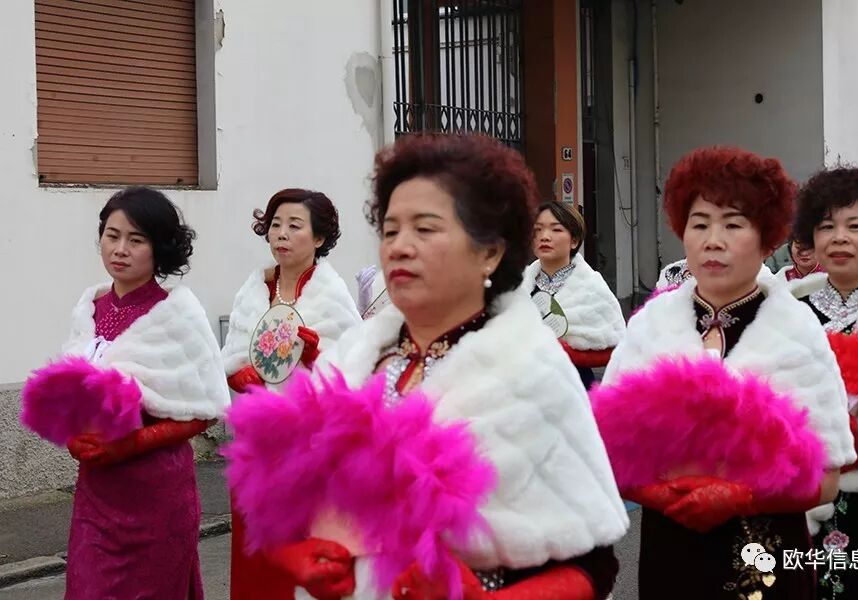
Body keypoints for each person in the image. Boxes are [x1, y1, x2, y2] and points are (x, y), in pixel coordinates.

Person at [240, 133, 629, 600]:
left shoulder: (531, 370)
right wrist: (294, 555)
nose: (399, 247)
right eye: (390, 231)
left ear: (490, 251)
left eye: (425, 229)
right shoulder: (353, 357)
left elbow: (593, 564)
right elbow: (283, 503)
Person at [601, 147, 855, 599]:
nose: (712, 240)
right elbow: (605, 455)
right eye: (699, 224)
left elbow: (827, 479)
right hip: (670, 555)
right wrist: (663, 496)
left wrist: (741, 496)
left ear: (767, 238)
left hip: (764, 560)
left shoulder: (796, 332)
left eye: (733, 224)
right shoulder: (649, 328)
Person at [62, 187, 230, 599]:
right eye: (112, 235)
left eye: (136, 240)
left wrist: (135, 442)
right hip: (97, 492)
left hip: (157, 493)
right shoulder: (89, 308)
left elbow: (207, 408)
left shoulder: (177, 314)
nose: (120, 249)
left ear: (159, 248)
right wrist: (71, 434)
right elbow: (69, 391)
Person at [222, 188, 362, 600]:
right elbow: (231, 357)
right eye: (275, 224)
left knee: (299, 549)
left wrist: (316, 356)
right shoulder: (253, 290)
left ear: (319, 238)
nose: (281, 234)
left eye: (294, 226)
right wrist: (243, 376)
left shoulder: (331, 294)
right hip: (255, 444)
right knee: (254, 552)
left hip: (307, 447)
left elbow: (352, 372)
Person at [790, 166, 858, 597]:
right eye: (826, 226)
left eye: (855, 226)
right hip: (801, 485)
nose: (839, 238)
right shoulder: (787, 311)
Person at [522, 200, 625, 387]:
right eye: (537, 230)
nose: (544, 236)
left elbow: (616, 345)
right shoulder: (518, 287)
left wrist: (565, 350)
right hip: (524, 387)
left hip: (575, 386)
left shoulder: (592, 287)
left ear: (574, 240)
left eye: (556, 229)